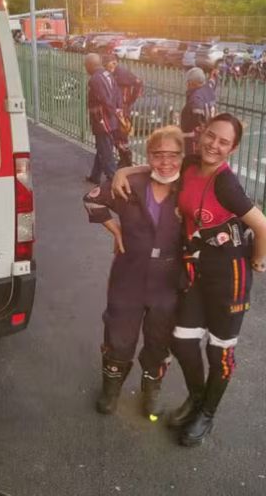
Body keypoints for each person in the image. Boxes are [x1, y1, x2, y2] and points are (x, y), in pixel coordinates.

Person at [112, 113, 266, 447]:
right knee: (181, 340)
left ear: (233, 148)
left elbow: (262, 225)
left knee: (219, 352)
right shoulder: (193, 163)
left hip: (230, 276)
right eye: (211, 136)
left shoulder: (225, 183)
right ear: (202, 135)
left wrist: (258, 258)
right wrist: (123, 170)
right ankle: (197, 399)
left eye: (223, 142)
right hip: (197, 269)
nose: (214, 144)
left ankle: (207, 414)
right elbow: (159, 167)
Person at [83, 126, 184, 417]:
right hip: (128, 277)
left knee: (159, 341)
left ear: (182, 156)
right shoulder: (131, 185)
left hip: (168, 282)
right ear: (148, 155)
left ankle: (151, 391)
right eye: (158, 155)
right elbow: (91, 199)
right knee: (118, 336)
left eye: (173, 155)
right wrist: (114, 229)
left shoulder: (188, 189)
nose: (166, 162)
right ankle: (111, 390)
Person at [85, 53, 125, 184]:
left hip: (102, 120)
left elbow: (104, 99)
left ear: (91, 65)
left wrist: (112, 111)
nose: (85, 68)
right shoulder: (108, 75)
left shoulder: (94, 79)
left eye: (86, 65)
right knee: (103, 148)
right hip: (111, 119)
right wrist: (118, 110)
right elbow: (117, 94)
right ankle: (95, 176)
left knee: (106, 151)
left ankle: (113, 179)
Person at [103, 55, 142, 168]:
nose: (108, 66)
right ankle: (123, 158)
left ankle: (127, 161)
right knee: (117, 135)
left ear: (115, 62)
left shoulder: (123, 73)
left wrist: (131, 100)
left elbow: (139, 82)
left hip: (123, 109)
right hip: (115, 108)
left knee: (122, 134)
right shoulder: (110, 73)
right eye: (106, 63)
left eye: (110, 62)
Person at [180, 67, 217, 155]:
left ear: (193, 83)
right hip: (208, 131)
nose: (187, 85)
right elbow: (212, 83)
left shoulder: (196, 97)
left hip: (194, 138)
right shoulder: (208, 89)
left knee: (192, 159)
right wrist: (213, 76)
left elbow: (197, 118)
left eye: (189, 82)